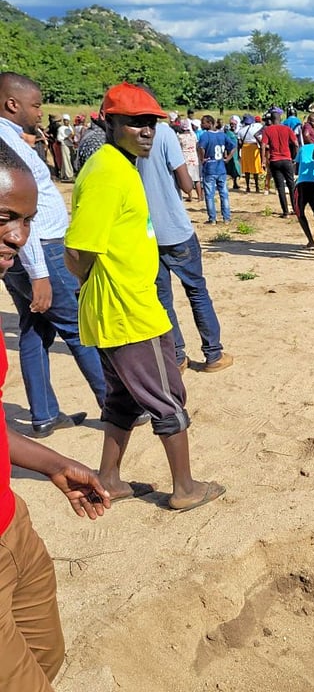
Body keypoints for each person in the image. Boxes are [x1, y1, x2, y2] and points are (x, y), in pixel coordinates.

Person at [0, 136, 111, 692]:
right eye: (5, 219)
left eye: (25, 223)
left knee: (46, 660)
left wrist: (52, 463)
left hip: (11, 527)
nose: (17, 239)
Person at [64, 82, 225, 513]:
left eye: (151, 122)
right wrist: (108, 285)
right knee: (167, 396)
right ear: (109, 121)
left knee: (123, 398)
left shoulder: (119, 165)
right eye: (135, 122)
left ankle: (110, 479)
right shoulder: (108, 173)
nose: (147, 131)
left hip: (118, 308)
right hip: (128, 310)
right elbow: (77, 251)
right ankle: (186, 489)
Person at [0, 73, 107, 437]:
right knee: (79, 328)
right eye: (35, 105)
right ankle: (114, 405)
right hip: (39, 249)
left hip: (30, 252)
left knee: (34, 328)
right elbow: (18, 217)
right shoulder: (7, 143)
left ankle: (44, 413)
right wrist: (39, 272)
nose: (39, 111)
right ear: (12, 104)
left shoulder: (12, 140)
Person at [137, 120, 233, 374]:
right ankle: (213, 354)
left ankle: (177, 356)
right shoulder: (165, 133)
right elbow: (186, 184)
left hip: (147, 232)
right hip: (175, 229)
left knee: (162, 298)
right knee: (197, 291)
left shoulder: (124, 139)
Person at [197, 115, 235, 224]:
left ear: (209, 123)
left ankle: (212, 219)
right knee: (224, 194)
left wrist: (202, 158)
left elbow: (201, 148)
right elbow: (233, 147)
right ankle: (226, 218)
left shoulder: (205, 136)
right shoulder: (222, 135)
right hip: (221, 168)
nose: (201, 124)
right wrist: (227, 158)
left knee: (209, 195)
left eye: (203, 122)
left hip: (210, 168)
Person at [261, 109, 297, 217]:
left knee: (280, 187)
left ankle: (285, 212)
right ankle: (296, 209)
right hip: (287, 160)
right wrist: (295, 156)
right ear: (280, 119)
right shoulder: (287, 129)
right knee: (291, 185)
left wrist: (263, 160)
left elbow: (263, 145)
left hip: (274, 161)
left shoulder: (268, 130)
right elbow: (296, 143)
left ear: (271, 120)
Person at [293, 140, 314, 250]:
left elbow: (296, 169)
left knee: (299, 212)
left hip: (302, 183)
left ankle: (311, 240)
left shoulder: (302, 148)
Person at [176, 120, 202, 201]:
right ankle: (199, 196)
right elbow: (197, 145)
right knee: (196, 179)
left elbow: (178, 148)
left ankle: (190, 196)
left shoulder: (180, 137)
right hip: (194, 158)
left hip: (185, 159)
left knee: (188, 178)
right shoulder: (193, 135)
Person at [237, 114, 263, 193]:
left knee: (246, 169)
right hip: (254, 148)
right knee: (255, 168)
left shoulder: (240, 131)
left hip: (245, 149)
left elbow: (239, 143)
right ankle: (257, 187)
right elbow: (260, 139)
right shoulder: (255, 129)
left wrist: (239, 153)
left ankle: (248, 187)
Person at [55, 116, 74, 182]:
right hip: (64, 145)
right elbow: (59, 138)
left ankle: (63, 174)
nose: (66, 121)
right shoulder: (61, 128)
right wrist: (66, 138)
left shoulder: (70, 128)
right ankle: (69, 175)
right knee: (66, 160)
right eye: (65, 120)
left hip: (70, 145)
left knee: (66, 160)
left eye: (67, 120)